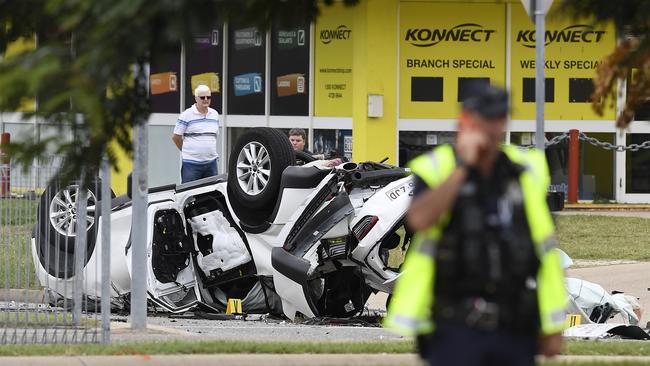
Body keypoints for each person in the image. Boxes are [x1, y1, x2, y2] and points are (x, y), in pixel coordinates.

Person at [385, 85, 567, 366]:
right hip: (456, 324)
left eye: (498, 119)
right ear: (465, 121)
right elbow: (420, 220)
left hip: (515, 324)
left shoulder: (526, 169)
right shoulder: (437, 167)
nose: (492, 128)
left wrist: (553, 323)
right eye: (485, 119)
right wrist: (463, 168)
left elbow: (542, 250)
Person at [172, 85, 220, 183]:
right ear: (196, 98)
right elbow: (176, 137)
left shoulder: (214, 114)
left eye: (208, 97)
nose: (206, 99)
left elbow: (214, 136)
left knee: (211, 195)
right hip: (191, 165)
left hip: (211, 163)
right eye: (202, 97)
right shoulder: (186, 115)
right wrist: (186, 150)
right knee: (189, 195)